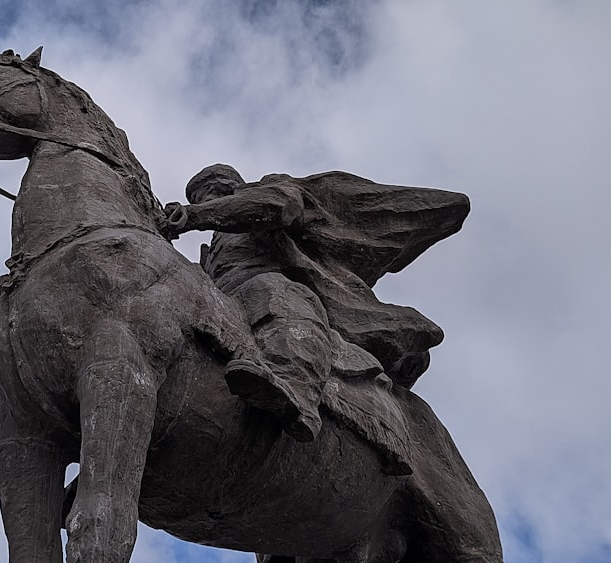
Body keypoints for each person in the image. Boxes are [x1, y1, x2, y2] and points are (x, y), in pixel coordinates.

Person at [163, 164, 470, 461]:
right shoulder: (214, 242)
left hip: (268, 281)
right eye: (198, 198)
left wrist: (195, 216)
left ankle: (297, 388)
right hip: (227, 297)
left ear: (229, 186)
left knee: (278, 296)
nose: (204, 201)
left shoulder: (264, 192)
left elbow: (279, 206)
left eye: (208, 193)